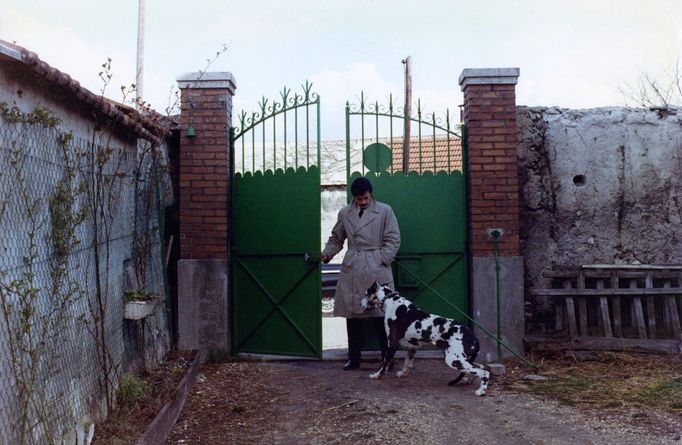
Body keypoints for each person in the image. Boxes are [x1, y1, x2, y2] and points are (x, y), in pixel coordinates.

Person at [321, 177, 401, 370]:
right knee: (353, 316)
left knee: (381, 315)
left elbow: (393, 239)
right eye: (359, 199)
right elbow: (336, 238)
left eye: (365, 198)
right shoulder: (344, 213)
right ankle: (353, 359)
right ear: (354, 198)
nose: (363, 202)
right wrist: (326, 254)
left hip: (376, 265)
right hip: (353, 266)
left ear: (371, 194)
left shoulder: (384, 211)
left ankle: (387, 359)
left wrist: (382, 259)